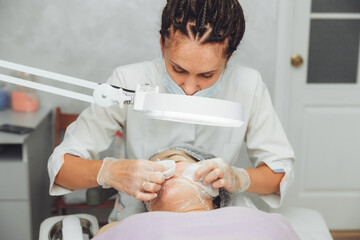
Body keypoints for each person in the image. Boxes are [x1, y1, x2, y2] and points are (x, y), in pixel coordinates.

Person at [48, 0, 295, 221]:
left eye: (207, 75)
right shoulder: (129, 80)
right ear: (162, 44)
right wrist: (110, 172)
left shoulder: (248, 86)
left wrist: (240, 178)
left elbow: (279, 173)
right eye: (178, 69)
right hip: (141, 218)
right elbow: (61, 169)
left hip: (212, 219)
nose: (189, 88)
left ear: (228, 59)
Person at [92, 145, 300, 240]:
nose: (162, 170)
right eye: (149, 171)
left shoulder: (266, 222)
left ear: (214, 181)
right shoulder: (121, 229)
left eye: (175, 160)